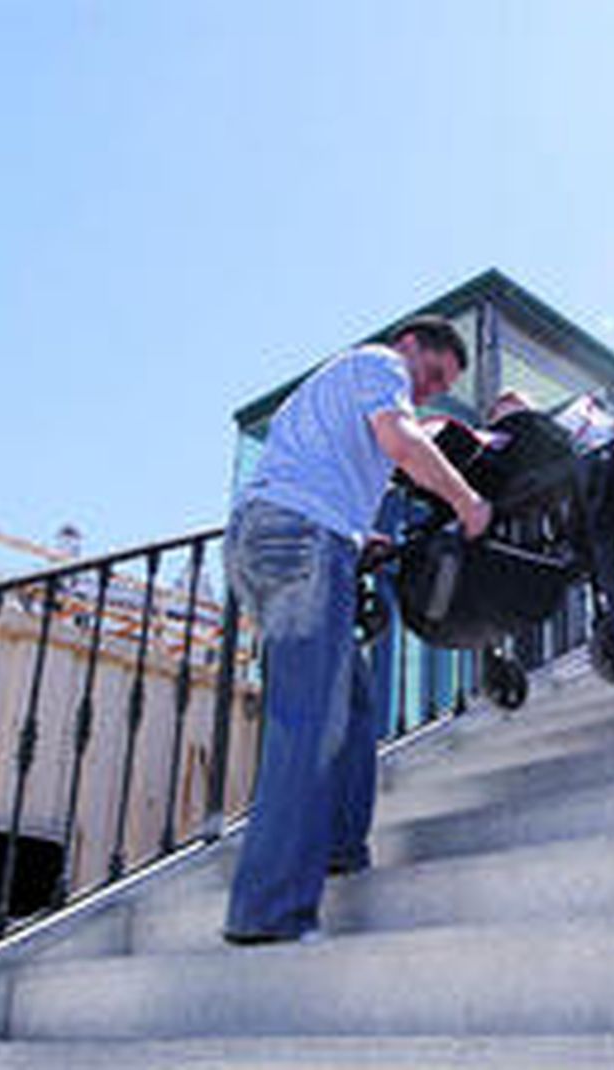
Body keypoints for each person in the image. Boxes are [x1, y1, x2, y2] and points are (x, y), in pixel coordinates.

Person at [223, 314, 491, 945]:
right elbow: (401, 442)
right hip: (300, 538)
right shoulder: (378, 364)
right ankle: (269, 911)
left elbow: (327, 463)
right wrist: (466, 500)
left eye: (438, 387)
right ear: (408, 347)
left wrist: (356, 535)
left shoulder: (336, 385)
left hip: (278, 536)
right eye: (430, 374)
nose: (426, 391)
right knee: (309, 718)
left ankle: (340, 847)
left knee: (353, 698)